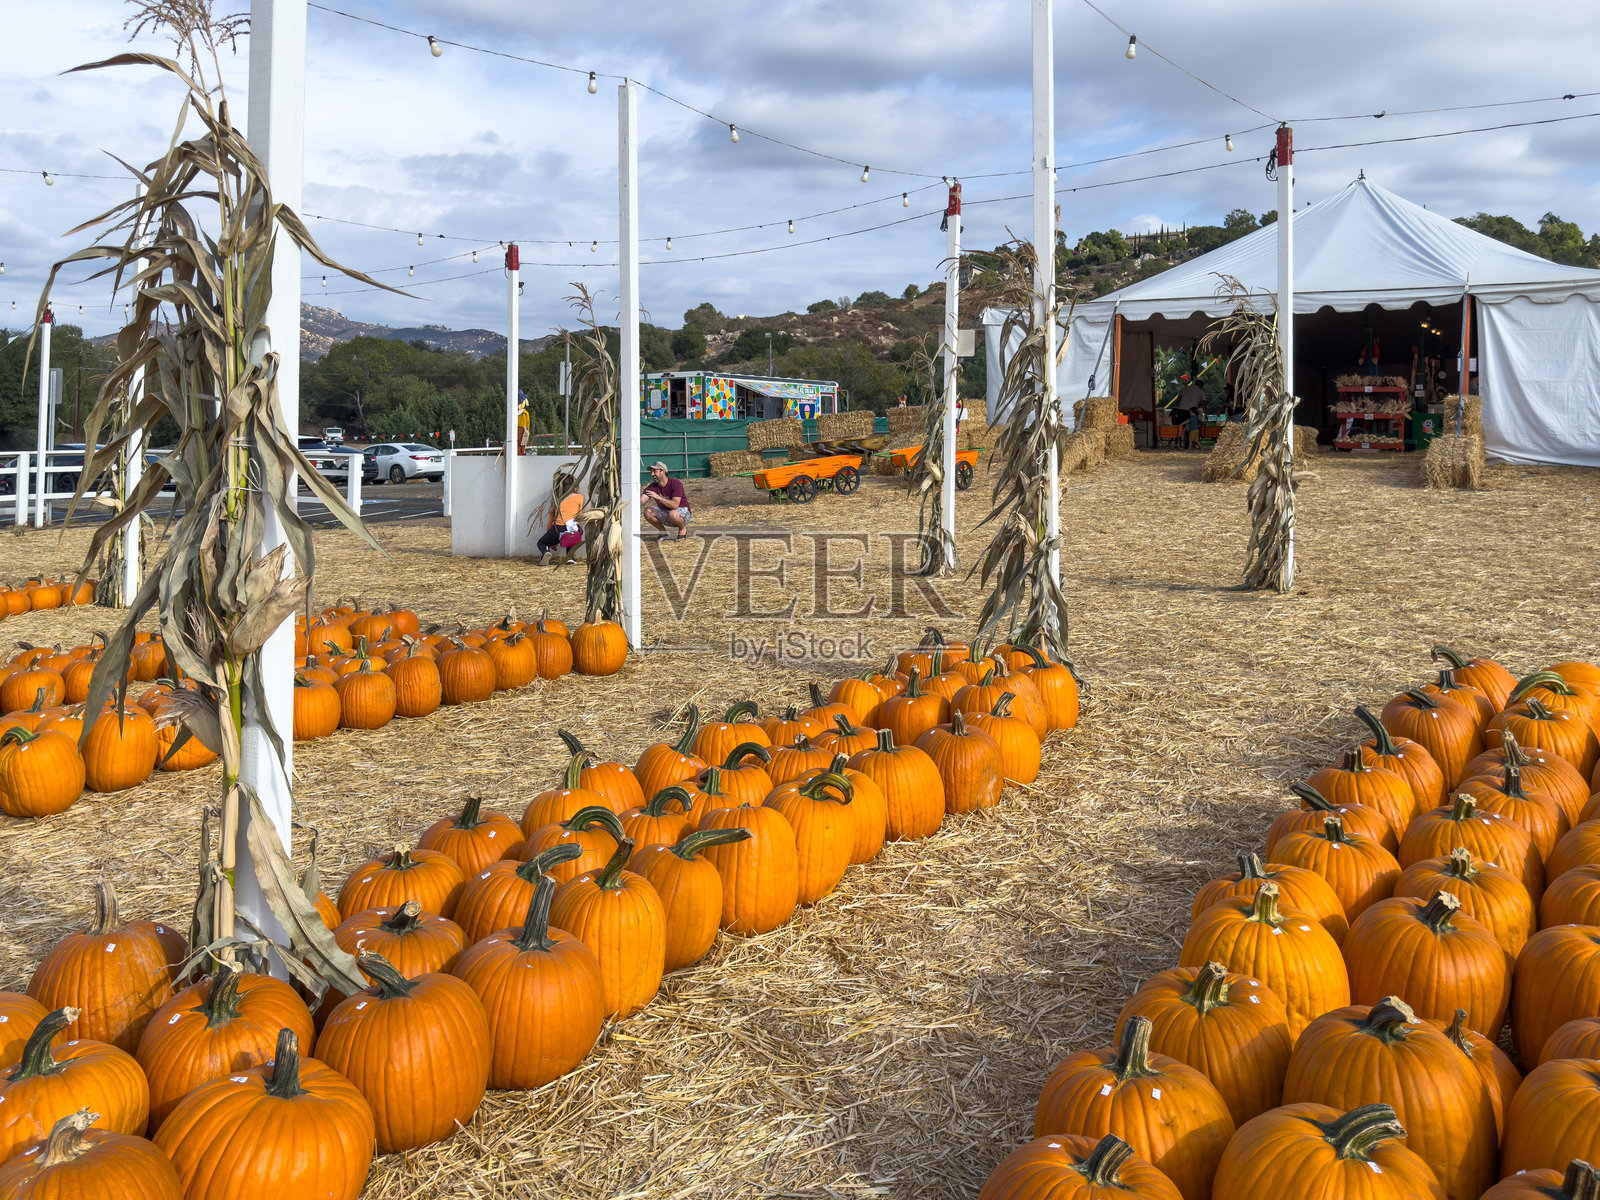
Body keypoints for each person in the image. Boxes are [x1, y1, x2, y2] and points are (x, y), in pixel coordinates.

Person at [642, 461, 691, 540]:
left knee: (673, 514)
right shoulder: (652, 486)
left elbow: (675, 505)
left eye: (655, 471)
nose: (652, 474)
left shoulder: (676, 483)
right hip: (666, 512)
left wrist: (659, 497)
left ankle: (682, 529)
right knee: (647, 512)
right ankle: (663, 533)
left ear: (663, 472)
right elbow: (642, 501)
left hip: (682, 513)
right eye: (651, 472)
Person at [537, 487, 585, 564]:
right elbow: (580, 515)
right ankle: (570, 557)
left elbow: (550, 520)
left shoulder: (556, 500)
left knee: (541, 542)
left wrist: (551, 539)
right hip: (574, 529)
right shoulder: (580, 497)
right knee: (571, 535)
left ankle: (546, 551)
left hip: (558, 530)